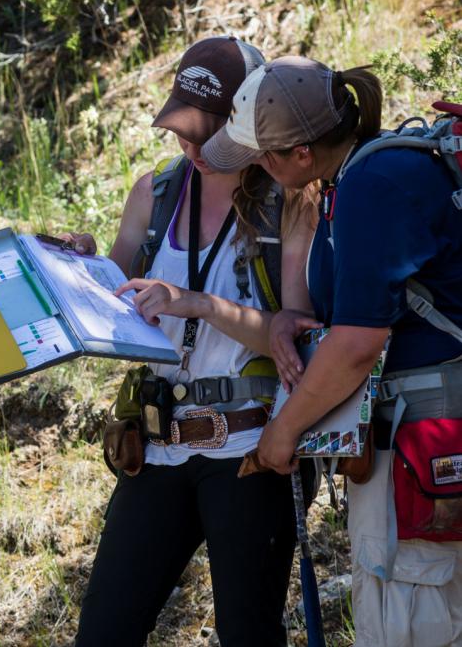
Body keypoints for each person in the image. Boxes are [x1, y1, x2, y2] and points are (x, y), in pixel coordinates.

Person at [201, 55, 462, 645]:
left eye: (265, 156)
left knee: (411, 618)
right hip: (437, 431)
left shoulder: (370, 186)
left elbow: (357, 344)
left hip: (424, 441)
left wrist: (282, 433)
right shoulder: (391, 167)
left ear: (300, 155)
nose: (258, 169)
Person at [68, 37, 318, 647]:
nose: (193, 149)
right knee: (104, 629)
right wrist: (75, 266)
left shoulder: (287, 197)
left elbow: (296, 336)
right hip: (156, 444)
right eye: (184, 131)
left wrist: (198, 304)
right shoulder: (155, 193)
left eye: (209, 135)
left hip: (250, 448)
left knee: (249, 633)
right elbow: (111, 299)